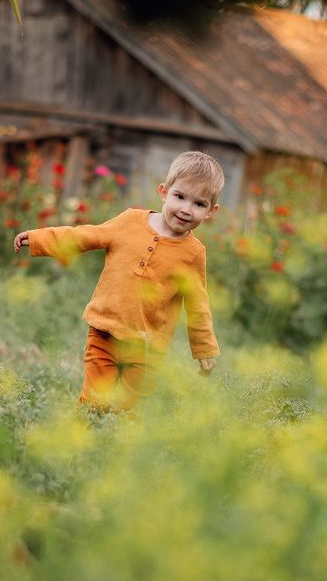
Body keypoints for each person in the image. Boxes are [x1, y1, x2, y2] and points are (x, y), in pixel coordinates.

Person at [13, 151, 223, 412]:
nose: (185, 209)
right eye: (179, 197)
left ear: (211, 211)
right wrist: (39, 239)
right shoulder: (129, 221)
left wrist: (204, 348)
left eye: (199, 204)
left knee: (127, 413)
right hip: (105, 333)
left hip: (147, 349)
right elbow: (84, 236)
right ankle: (84, 435)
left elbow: (197, 304)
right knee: (94, 403)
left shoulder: (194, 253)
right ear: (164, 192)